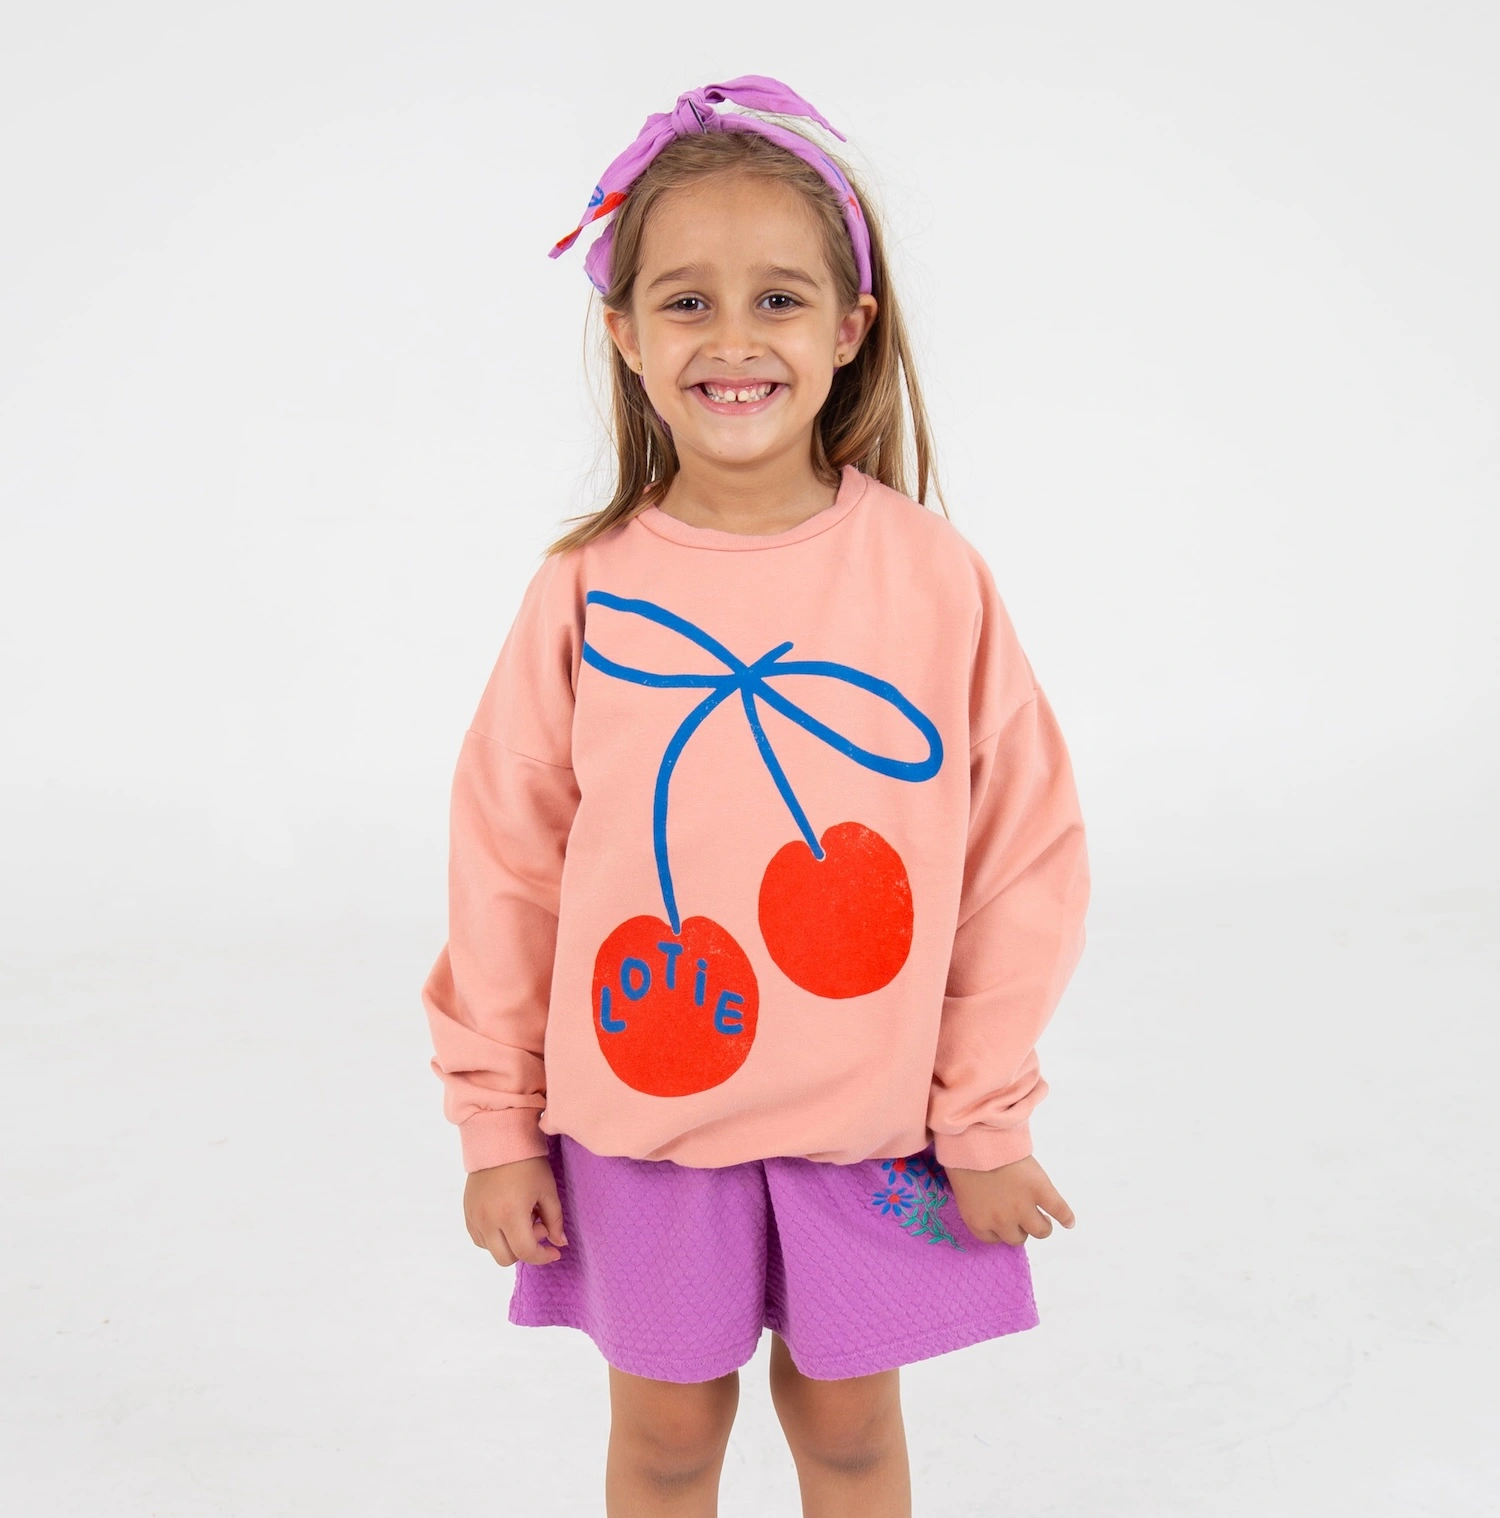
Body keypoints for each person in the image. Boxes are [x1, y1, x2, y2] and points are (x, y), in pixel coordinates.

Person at [420, 75, 1091, 1518]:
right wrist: (499, 1124)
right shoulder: (585, 591)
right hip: (644, 1133)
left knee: (849, 1436)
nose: (733, 339)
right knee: (667, 1442)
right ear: (624, 334)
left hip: (873, 1126)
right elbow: (507, 866)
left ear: (850, 328)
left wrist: (985, 1119)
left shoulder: (931, 577)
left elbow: (1019, 858)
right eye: (687, 302)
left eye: (779, 298)